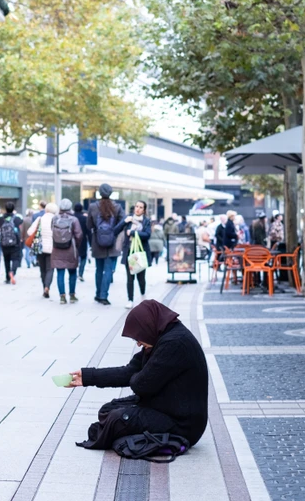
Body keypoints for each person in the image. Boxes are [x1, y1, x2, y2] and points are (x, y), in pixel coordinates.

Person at [69, 300, 209, 451]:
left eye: (138, 338)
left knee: (116, 419)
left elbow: (142, 386)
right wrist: (88, 377)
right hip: (163, 407)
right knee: (108, 410)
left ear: (147, 326)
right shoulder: (160, 338)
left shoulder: (174, 344)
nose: (138, 344)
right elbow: (129, 371)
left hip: (182, 424)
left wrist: (140, 375)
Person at [87, 184, 125, 306]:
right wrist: (113, 232)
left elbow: (88, 225)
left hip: (97, 242)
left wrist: (98, 231)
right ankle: (104, 295)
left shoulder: (93, 206)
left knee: (99, 269)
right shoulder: (117, 207)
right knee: (108, 270)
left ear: (99, 192)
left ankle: (98, 294)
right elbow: (123, 222)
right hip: (112, 243)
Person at [117, 201, 152, 309]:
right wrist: (124, 222)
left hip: (140, 253)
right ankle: (130, 300)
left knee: (141, 278)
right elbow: (116, 230)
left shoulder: (146, 221)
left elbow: (147, 234)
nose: (138, 209)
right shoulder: (128, 219)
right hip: (129, 252)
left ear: (144, 210)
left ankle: (142, 295)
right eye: (136, 206)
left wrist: (132, 233)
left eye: (141, 207)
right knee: (130, 277)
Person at [52, 199, 84, 304]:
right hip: (71, 249)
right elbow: (79, 235)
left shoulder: (55, 218)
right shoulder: (74, 220)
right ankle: (72, 295)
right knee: (72, 272)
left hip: (57, 249)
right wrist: (76, 245)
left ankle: (62, 296)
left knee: (60, 273)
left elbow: (52, 231)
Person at [27, 202, 60, 299]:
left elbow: (29, 232)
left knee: (42, 269)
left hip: (40, 247)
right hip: (52, 248)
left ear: (46, 210)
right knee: (50, 269)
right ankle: (47, 287)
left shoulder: (39, 219)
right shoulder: (56, 219)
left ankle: (43, 288)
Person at [0, 201, 23, 285]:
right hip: (15, 243)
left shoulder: (1, 219)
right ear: (13, 209)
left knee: (6, 260)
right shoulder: (17, 218)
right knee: (16, 259)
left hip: (4, 244)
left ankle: (7, 278)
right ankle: (12, 272)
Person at [73, 203, 90, 282]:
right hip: (83, 239)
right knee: (83, 257)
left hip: (72, 240)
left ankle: (74, 271)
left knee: (74, 255)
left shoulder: (72, 217)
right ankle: (80, 273)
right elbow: (88, 231)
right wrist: (91, 241)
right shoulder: (84, 218)